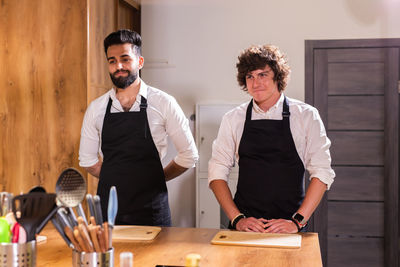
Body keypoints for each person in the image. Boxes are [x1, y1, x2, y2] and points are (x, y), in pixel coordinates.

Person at [208, 44, 335, 233]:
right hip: (246, 228)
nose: (255, 82)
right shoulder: (233, 118)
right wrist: (237, 219)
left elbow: (322, 173)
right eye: (250, 76)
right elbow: (216, 174)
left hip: (289, 226)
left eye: (262, 75)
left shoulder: (306, 116)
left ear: (278, 76)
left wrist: (297, 221)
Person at [78, 29, 198, 226]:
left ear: (139, 62)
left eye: (125, 59)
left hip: (152, 210)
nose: (118, 66)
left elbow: (189, 155)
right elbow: (88, 160)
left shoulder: (163, 103)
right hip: (109, 213)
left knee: (156, 258)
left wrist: (156, 177)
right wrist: (120, 180)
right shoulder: (96, 108)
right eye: (112, 61)